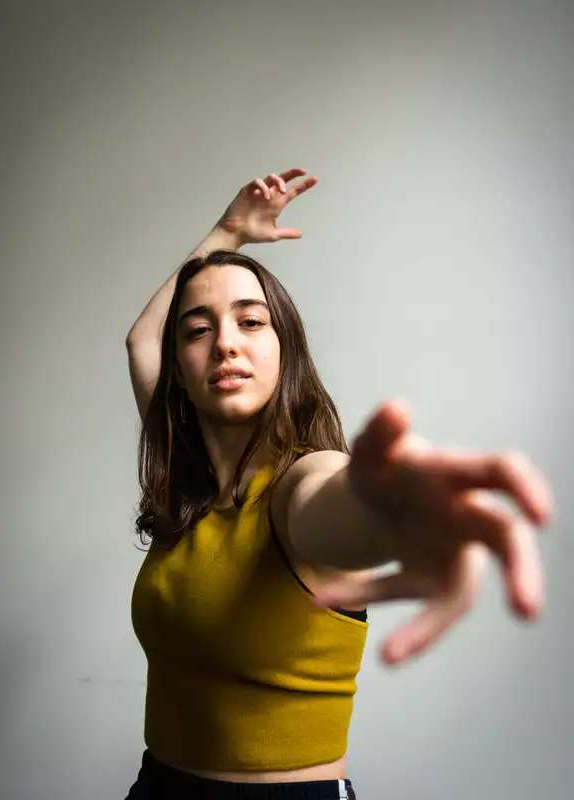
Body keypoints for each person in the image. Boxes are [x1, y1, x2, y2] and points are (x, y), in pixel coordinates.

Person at [123, 168, 554, 799]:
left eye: (251, 322)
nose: (224, 344)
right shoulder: (183, 489)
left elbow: (339, 509)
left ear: (285, 349)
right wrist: (230, 233)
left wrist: (396, 507)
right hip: (158, 786)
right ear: (178, 374)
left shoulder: (304, 480)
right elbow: (140, 339)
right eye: (197, 330)